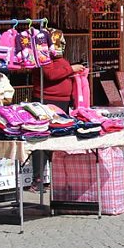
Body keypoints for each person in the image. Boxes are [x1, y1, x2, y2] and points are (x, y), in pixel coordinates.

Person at [29, 32, 87, 192]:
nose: (61, 46)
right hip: (47, 101)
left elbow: (61, 72)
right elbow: (50, 74)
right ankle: (38, 179)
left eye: (62, 43)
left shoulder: (60, 59)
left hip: (61, 103)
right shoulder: (42, 57)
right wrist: (71, 68)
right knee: (42, 140)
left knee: (56, 140)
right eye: (58, 43)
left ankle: (56, 177)